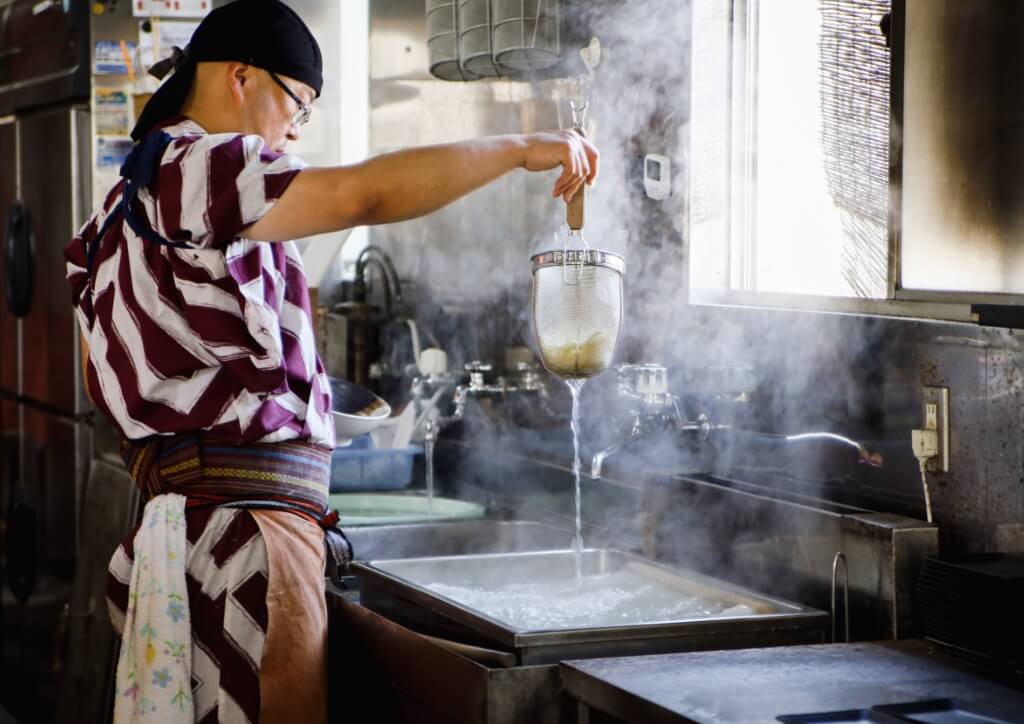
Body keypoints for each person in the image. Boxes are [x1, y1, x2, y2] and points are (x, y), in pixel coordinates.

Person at [63, 0, 598, 722]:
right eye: (298, 106)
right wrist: (523, 148)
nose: (293, 132)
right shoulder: (201, 164)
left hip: (189, 527)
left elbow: (122, 380)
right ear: (241, 77)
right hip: (246, 540)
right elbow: (364, 193)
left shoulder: (120, 205)